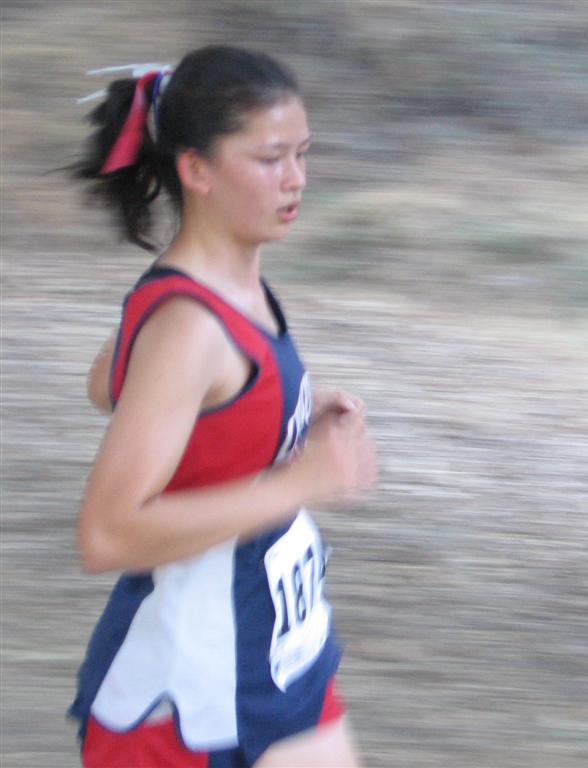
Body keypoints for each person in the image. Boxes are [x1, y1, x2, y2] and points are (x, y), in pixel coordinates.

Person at [67, 45, 376, 768]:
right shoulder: (190, 323)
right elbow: (105, 535)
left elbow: (110, 382)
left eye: (302, 153)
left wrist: (284, 416)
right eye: (270, 159)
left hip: (277, 656)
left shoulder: (228, 291)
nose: (296, 179)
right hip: (181, 703)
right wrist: (301, 481)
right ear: (196, 170)